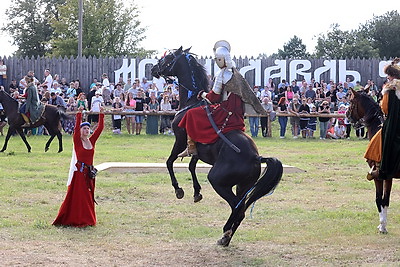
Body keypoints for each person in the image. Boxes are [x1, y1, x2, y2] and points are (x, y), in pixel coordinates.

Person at [177, 40, 265, 157]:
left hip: (224, 112)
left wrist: (202, 94)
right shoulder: (236, 74)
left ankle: (191, 147)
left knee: (191, 114)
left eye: (217, 59)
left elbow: (214, 97)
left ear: (221, 59)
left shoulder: (222, 74)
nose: (217, 62)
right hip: (237, 115)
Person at [53, 106, 104, 227]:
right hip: (80, 173)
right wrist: (79, 114)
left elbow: (100, 129)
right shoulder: (77, 140)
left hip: (89, 173)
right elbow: (76, 128)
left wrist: (102, 114)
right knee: (80, 197)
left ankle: (88, 219)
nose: (86, 130)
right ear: (80, 131)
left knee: (88, 196)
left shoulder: (91, 141)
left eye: (88, 128)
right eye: (84, 128)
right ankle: (77, 219)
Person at [365, 58, 400, 180]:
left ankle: (381, 168)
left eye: (388, 76)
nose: (387, 78)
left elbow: (385, 109)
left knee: (378, 140)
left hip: (394, 122)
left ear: (392, 76)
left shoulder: (389, 89)